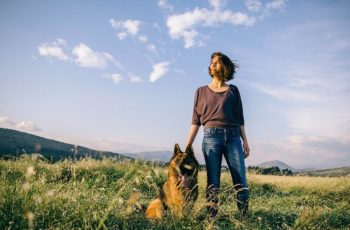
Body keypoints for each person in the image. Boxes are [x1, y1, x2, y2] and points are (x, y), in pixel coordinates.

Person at [186, 52, 250, 219]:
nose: (212, 64)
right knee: (213, 181)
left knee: (240, 179)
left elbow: (240, 118)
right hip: (211, 138)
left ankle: (243, 217)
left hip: (234, 137)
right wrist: (188, 145)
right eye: (211, 62)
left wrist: (246, 142)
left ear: (225, 67)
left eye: (217, 62)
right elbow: (195, 121)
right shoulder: (200, 91)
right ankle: (211, 217)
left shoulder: (233, 91)